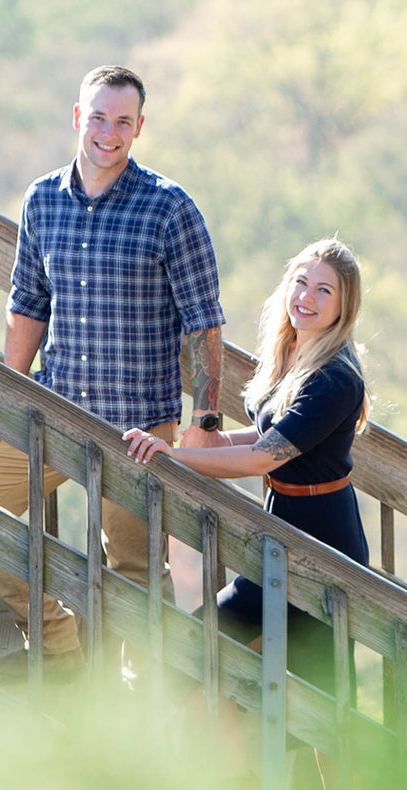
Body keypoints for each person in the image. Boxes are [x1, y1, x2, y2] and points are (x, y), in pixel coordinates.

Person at [0, 65, 229, 674]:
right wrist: (7, 397)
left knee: (138, 573)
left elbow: (204, 321)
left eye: (122, 121)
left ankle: (146, 706)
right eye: (98, 117)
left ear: (139, 127)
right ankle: (57, 641)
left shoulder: (170, 208)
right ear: (77, 118)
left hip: (138, 431)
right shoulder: (42, 199)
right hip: (53, 411)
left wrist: (205, 418)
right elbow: (28, 306)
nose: (108, 133)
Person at [121, 237, 370, 688]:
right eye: (301, 283)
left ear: (343, 306)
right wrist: (211, 444)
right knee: (199, 667)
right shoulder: (292, 354)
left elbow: (263, 458)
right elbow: (272, 437)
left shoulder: (335, 378)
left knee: (326, 710)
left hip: (324, 549)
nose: (306, 298)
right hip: (282, 536)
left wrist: (174, 456)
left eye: (324, 291)